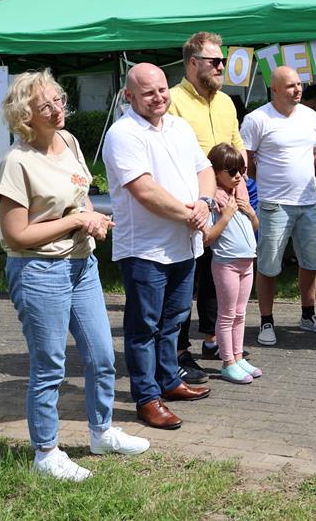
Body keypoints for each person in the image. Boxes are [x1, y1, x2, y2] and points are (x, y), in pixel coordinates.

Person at [0, 69, 149, 482]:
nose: (56, 110)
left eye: (58, 100)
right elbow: (16, 234)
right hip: (38, 269)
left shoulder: (70, 141)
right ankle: (45, 453)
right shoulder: (16, 162)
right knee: (49, 365)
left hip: (83, 264)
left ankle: (101, 433)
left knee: (101, 356)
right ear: (23, 114)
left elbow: (79, 199)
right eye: (44, 106)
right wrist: (77, 221)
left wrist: (92, 220)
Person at [103, 63, 215, 431]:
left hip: (184, 245)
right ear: (128, 96)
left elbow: (206, 170)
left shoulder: (180, 127)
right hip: (146, 249)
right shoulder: (123, 134)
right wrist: (191, 215)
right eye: (148, 92)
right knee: (143, 327)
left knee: (174, 321)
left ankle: (169, 381)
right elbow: (144, 190)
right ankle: (146, 397)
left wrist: (203, 201)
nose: (158, 97)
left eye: (162, 89)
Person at [168, 31, 248, 385]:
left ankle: (217, 340)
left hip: (228, 201)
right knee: (189, 278)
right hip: (195, 204)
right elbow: (172, 157)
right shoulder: (172, 101)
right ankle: (180, 351)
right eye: (215, 61)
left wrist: (239, 180)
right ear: (192, 63)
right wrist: (210, 189)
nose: (221, 67)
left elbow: (238, 145)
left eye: (223, 61)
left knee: (220, 275)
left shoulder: (227, 102)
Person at [240, 65, 316, 346]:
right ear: (275, 89)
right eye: (291, 85)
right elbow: (247, 161)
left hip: (308, 202)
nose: (298, 89)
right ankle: (266, 321)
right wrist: (271, 178)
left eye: (299, 84)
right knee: (268, 266)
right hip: (274, 204)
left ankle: (308, 314)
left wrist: (298, 168)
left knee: (312, 261)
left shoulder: (310, 116)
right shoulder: (257, 119)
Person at [202, 143, 262, 384]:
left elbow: (256, 228)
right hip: (226, 263)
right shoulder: (215, 201)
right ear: (216, 172)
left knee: (241, 313)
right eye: (232, 171)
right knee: (226, 315)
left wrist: (251, 213)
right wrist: (226, 216)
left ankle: (238, 356)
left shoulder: (242, 195)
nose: (239, 176)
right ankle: (227, 362)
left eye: (241, 170)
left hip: (247, 262)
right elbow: (206, 238)